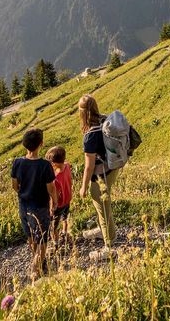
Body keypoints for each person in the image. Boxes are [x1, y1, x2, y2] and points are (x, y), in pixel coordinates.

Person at [11, 128, 58, 277]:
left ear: (25, 145)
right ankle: (36, 268)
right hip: (40, 206)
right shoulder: (45, 165)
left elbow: (14, 186)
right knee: (43, 238)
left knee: (31, 235)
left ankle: (36, 257)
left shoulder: (17, 162)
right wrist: (55, 202)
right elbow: (51, 188)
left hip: (23, 205)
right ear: (41, 144)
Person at [79, 94, 118, 255]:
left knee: (102, 205)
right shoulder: (105, 119)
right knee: (102, 203)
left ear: (82, 113)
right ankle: (103, 230)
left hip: (100, 173)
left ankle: (109, 245)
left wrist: (83, 187)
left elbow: (89, 166)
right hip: (113, 167)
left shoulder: (90, 135)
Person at [45, 146, 73, 246]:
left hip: (59, 204)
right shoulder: (67, 166)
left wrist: (52, 208)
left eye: (51, 163)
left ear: (55, 163)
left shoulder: (55, 179)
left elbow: (55, 195)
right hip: (68, 198)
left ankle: (55, 242)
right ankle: (65, 232)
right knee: (65, 217)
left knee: (54, 225)